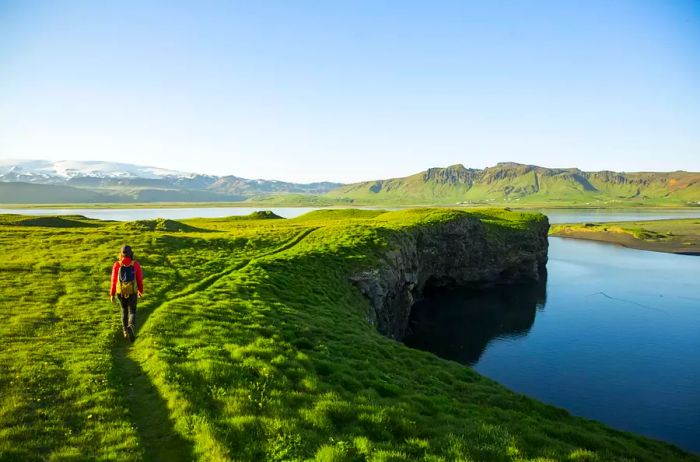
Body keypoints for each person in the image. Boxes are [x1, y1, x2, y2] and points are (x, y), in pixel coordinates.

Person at [110, 245, 143, 342]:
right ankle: (131, 326)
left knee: (123, 310)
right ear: (131, 253)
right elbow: (139, 279)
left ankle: (125, 331)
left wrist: (112, 294)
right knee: (132, 311)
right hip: (132, 291)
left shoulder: (117, 265)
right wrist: (140, 291)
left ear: (121, 254)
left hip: (120, 292)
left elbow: (113, 280)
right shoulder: (135, 264)